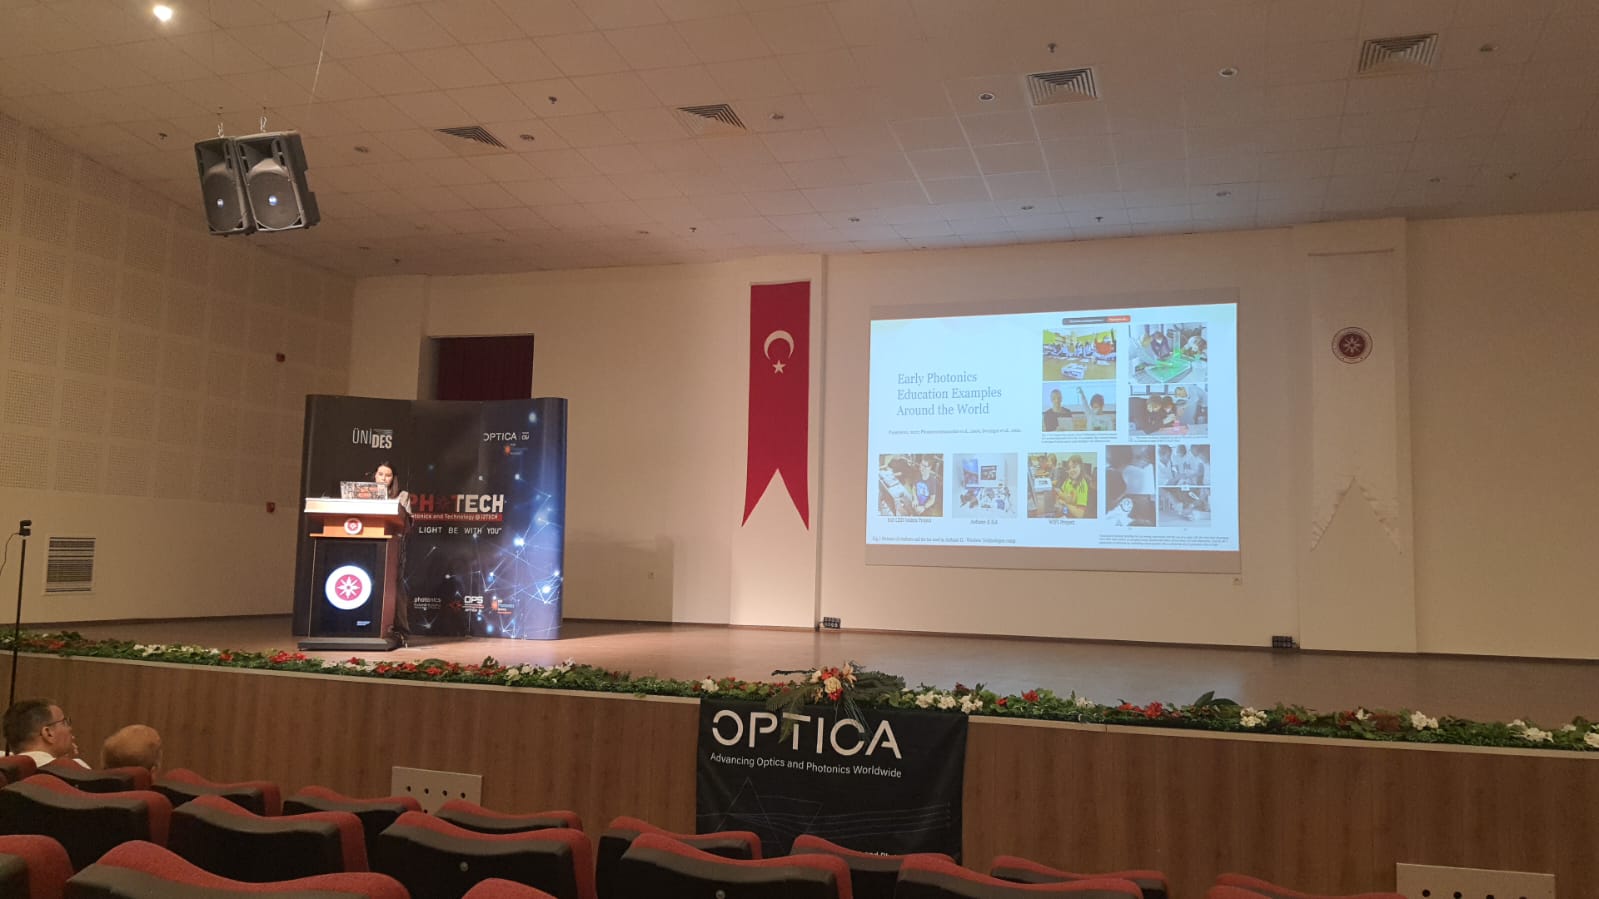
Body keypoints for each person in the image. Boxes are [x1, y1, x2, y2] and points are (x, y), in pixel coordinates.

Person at [372, 462, 412, 639]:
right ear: (375, 475)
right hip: (371, 544)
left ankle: (401, 628)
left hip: (394, 545)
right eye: (380, 474)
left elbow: (406, 522)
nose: (383, 478)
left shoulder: (402, 496)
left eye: (387, 475)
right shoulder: (364, 494)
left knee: (396, 585)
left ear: (393, 478)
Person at [3, 699, 88, 768]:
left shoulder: (4, 772)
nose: (70, 728)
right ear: (48, 733)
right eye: (64, 722)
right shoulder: (75, 770)